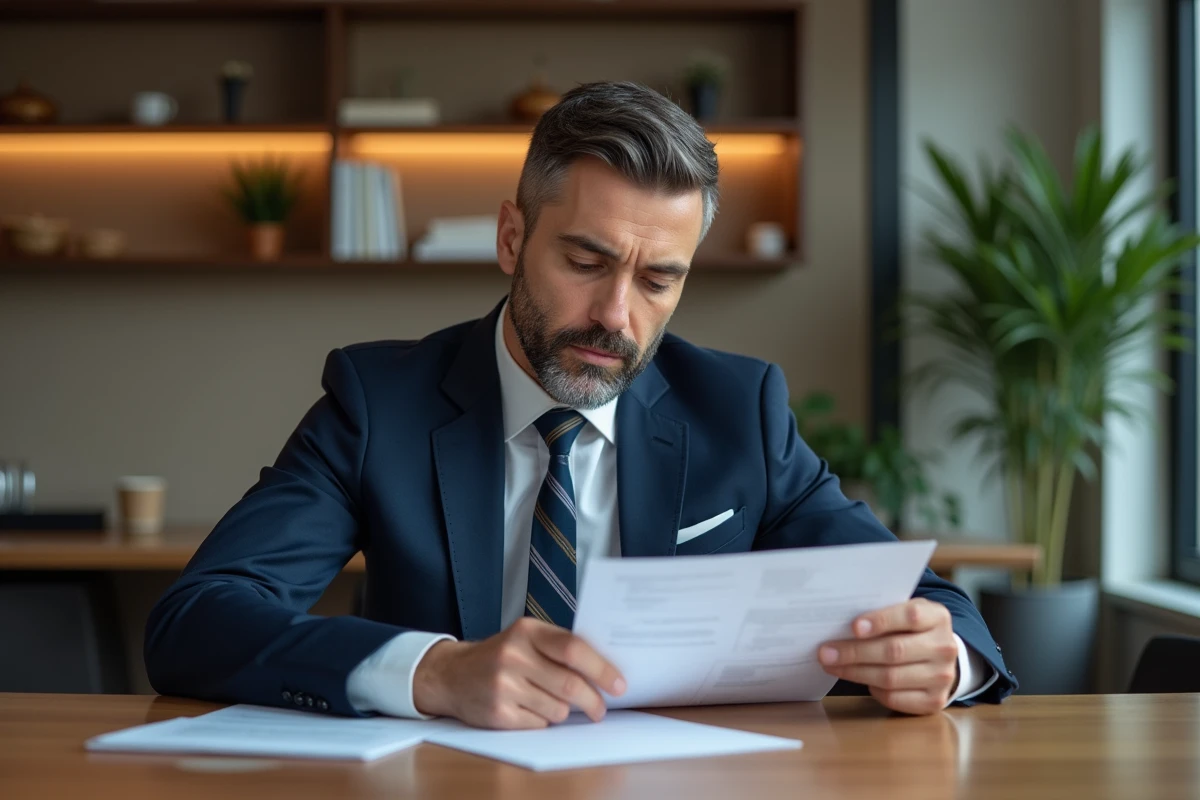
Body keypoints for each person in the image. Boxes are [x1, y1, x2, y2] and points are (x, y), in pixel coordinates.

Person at [145, 81, 1015, 729]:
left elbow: (935, 604)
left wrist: (948, 658)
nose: (616, 316)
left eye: (658, 279)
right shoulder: (382, 403)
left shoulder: (738, 410)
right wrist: (433, 672)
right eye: (587, 262)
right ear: (512, 238)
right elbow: (196, 620)